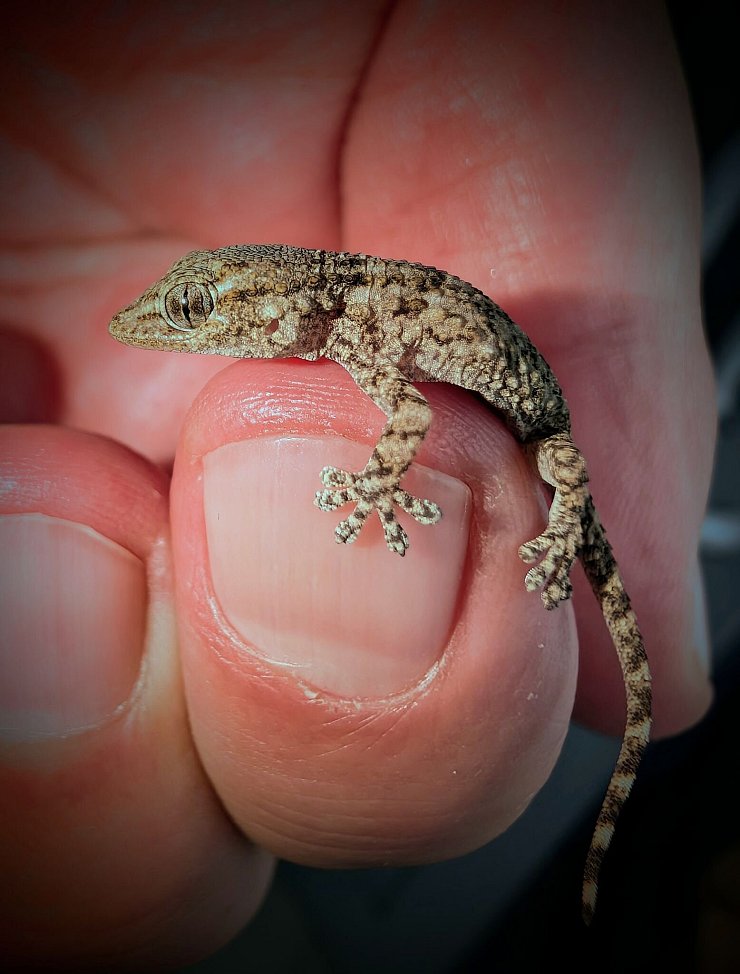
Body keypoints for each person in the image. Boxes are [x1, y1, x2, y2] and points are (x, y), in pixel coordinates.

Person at [0, 2, 714, 967]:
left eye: (200, 310)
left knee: (574, 526)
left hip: (543, 430)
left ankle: (606, 827)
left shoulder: (365, 331)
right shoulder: (344, 323)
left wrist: (446, 506)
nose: (177, 324)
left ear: (280, 305)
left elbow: (414, 421)